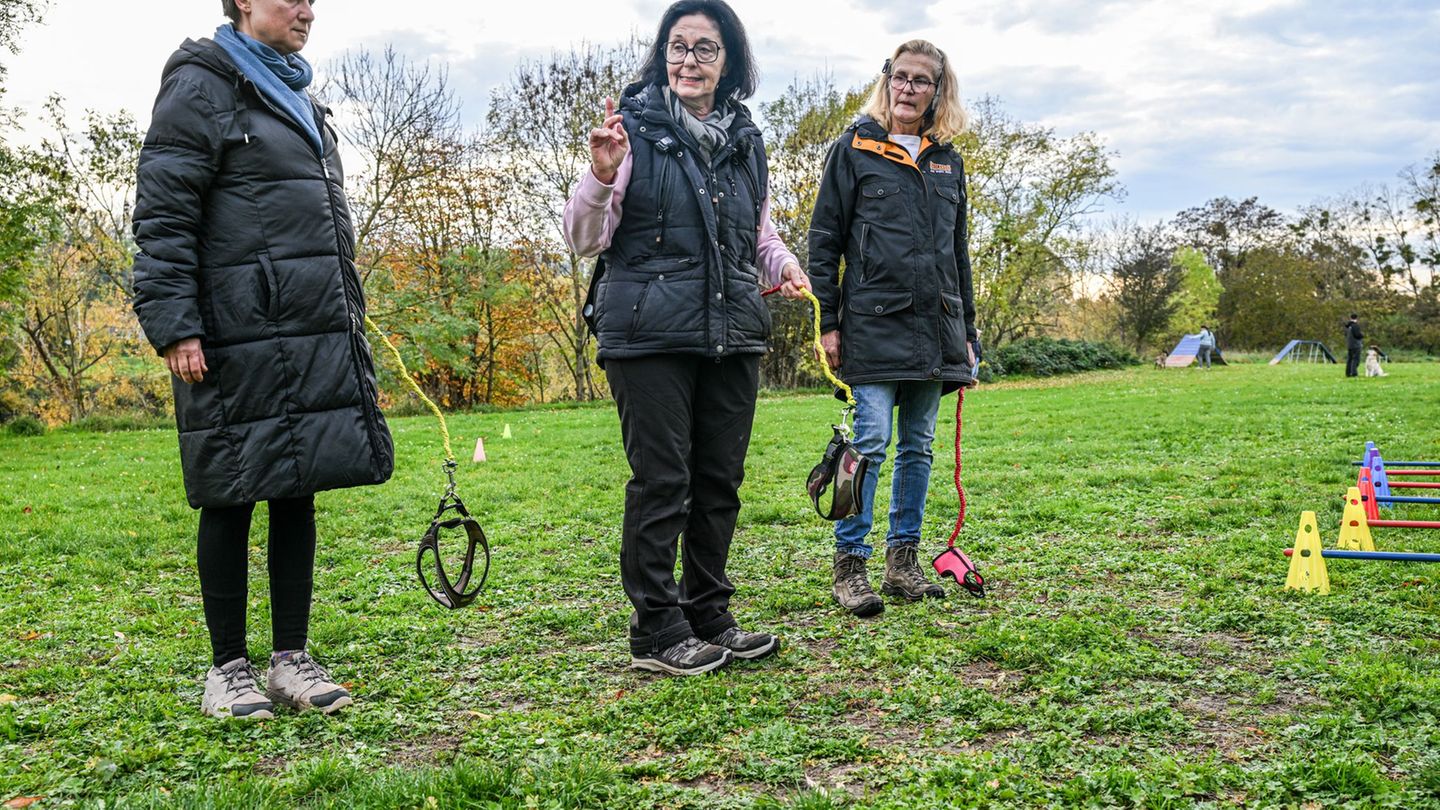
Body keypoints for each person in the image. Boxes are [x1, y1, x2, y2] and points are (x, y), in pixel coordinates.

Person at [131, 0, 393, 719]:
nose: (308, 9)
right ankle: (226, 671)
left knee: (296, 483)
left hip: (307, 327)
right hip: (228, 332)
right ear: (244, 0)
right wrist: (176, 324)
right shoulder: (202, 83)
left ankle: (290, 661)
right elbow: (162, 215)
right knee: (230, 489)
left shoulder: (297, 94)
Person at [563, 0, 811, 675]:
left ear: (729, 62)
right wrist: (601, 173)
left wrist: (783, 265)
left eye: (705, 48)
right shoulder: (630, 132)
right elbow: (585, 238)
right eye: (678, 46)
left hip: (730, 331)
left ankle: (709, 612)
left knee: (718, 481)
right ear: (662, 55)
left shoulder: (745, 141)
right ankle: (657, 629)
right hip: (647, 334)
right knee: (663, 481)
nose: (689, 60)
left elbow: (757, 235)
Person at [809, 39, 976, 617]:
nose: (908, 88)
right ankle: (849, 565)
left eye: (920, 80)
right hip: (871, 326)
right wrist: (829, 320)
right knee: (872, 439)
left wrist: (969, 334)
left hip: (937, 328)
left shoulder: (947, 161)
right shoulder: (853, 149)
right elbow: (824, 239)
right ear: (887, 81)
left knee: (919, 447)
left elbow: (958, 255)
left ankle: (903, 561)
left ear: (937, 90)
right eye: (899, 77)